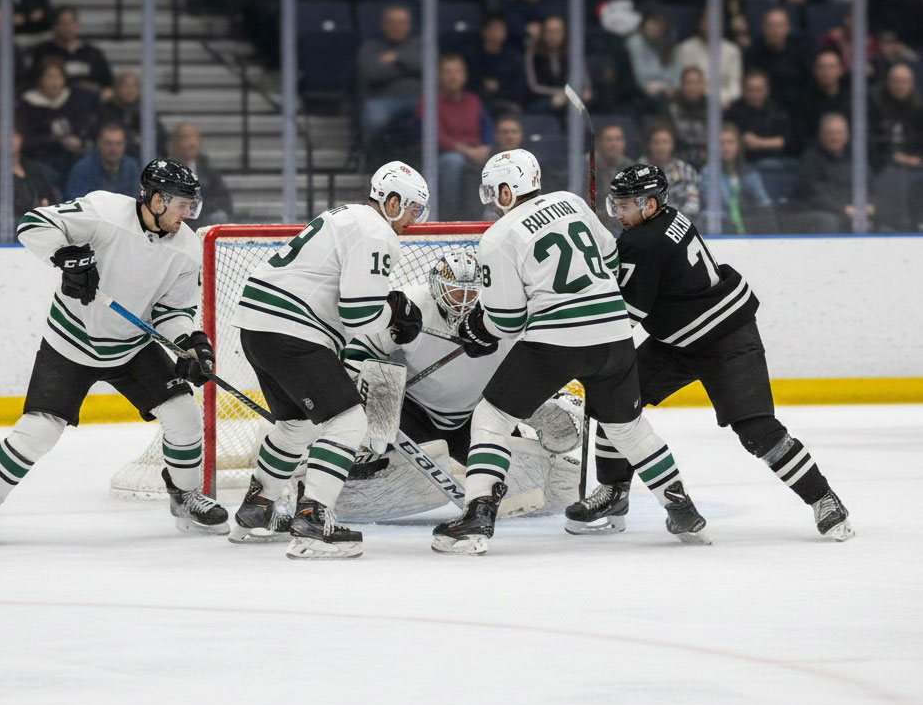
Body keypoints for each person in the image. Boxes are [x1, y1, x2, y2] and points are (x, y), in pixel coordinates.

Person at [429, 148, 710, 555]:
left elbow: (506, 321)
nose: (493, 202)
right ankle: (682, 509)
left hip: (556, 341)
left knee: (493, 415)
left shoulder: (498, 238)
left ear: (508, 191)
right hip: (615, 335)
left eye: (495, 192)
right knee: (628, 429)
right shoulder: (572, 202)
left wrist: (478, 327)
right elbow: (612, 258)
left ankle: (477, 515)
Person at [572, 163, 853, 541]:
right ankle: (615, 491)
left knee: (757, 430)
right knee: (613, 397)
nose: (618, 214)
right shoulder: (670, 219)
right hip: (679, 341)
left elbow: (626, 316)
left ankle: (824, 499)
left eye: (625, 206)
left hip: (726, 340)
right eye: (614, 205)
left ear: (651, 205)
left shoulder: (641, 243)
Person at [0, 160, 230, 545]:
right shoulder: (104, 212)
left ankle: (183, 497)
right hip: (70, 343)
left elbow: (172, 311)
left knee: (183, 415)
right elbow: (32, 224)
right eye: (182, 204)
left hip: (131, 347)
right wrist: (65, 255)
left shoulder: (185, 250)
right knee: (39, 431)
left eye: (191, 204)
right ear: (156, 200)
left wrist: (190, 342)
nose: (188, 213)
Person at [229, 161, 430, 559]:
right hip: (293, 331)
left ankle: (258, 507)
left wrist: (389, 308)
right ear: (391, 202)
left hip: (257, 327)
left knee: (295, 426)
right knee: (349, 421)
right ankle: (314, 521)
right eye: (412, 209)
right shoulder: (376, 230)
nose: (414, 219)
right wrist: (397, 316)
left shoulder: (344, 217)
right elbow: (358, 314)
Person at [335, 250, 580, 523]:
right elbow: (359, 351)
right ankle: (358, 464)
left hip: (475, 416)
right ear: (436, 286)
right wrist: (356, 394)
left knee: (550, 485)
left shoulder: (502, 314)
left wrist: (544, 403)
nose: (462, 301)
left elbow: (532, 369)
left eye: (469, 293)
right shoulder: (412, 305)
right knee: (380, 376)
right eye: (454, 291)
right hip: (413, 414)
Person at [417, 54, 493, 221]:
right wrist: (467, 151)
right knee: (453, 161)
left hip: (475, 153)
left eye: (457, 71)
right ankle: (448, 216)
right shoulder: (429, 101)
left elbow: (487, 129)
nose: (453, 76)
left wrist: (486, 147)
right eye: (447, 72)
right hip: (444, 156)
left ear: (464, 75)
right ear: (438, 75)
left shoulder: (473, 101)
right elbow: (435, 136)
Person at [17, 60, 98, 189]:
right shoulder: (28, 104)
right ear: (40, 79)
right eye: (49, 77)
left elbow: (85, 128)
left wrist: (79, 140)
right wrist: (58, 141)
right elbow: (27, 139)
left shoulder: (73, 99)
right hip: (42, 158)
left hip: (73, 156)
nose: (54, 82)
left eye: (58, 77)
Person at [356, 4, 422, 153]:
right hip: (383, 100)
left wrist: (396, 58)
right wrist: (410, 69)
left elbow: (428, 66)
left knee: (435, 117)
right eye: (392, 23)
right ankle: (375, 159)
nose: (397, 27)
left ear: (409, 25)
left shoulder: (420, 45)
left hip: (419, 99)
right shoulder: (370, 47)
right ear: (383, 25)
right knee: (374, 118)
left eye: (402, 23)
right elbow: (373, 73)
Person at [790, 113, 868, 233]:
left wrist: (870, 205)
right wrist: (844, 209)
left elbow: (870, 186)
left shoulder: (855, 158)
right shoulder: (811, 158)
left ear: (846, 136)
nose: (834, 137)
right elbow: (813, 194)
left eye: (838, 133)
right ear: (821, 135)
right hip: (819, 211)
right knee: (828, 221)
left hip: (853, 210)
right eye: (830, 133)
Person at [870, 63, 923, 232]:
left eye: (904, 81)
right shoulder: (875, 104)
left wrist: (918, 158)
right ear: (888, 82)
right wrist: (892, 156)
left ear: (912, 83)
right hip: (883, 165)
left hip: (916, 165)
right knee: (890, 179)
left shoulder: (919, 106)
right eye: (896, 81)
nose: (900, 85)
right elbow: (871, 140)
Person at [31, 6, 114, 100]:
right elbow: (33, 81)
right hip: (56, 102)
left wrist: (107, 91)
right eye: (63, 23)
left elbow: (108, 82)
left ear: (77, 25)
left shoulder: (93, 53)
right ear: (55, 26)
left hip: (90, 102)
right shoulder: (43, 51)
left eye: (71, 23)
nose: (68, 27)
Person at [672, 7, 743, 107]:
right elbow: (681, 83)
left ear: (721, 24)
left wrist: (722, 100)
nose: (711, 24)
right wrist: (708, 100)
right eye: (707, 20)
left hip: (724, 104)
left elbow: (735, 86)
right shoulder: (685, 49)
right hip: (693, 103)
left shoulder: (732, 51)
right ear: (699, 23)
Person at [167, 121, 233, 227]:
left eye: (195, 138)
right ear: (174, 143)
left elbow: (224, 200)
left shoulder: (208, 170)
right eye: (186, 138)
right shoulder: (165, 171)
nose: (192, 143)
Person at [465, 15, 526, 117]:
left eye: (500, 29)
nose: (496, 32)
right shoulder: (472, 56)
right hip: (477, 101)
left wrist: (499, 89)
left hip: (506, 102)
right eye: (493, 28)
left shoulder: (514, 57)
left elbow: (519, 87)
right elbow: (467, 84)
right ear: (484, 31)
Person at [99, 71, 167, 161]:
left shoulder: (145, 109)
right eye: (126, 86)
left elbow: (159, 134)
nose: (130, 90)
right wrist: (137, 139)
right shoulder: (107, 109)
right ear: (116, 88)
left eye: (134, 86)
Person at [637, 122, 701, 218]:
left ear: (672, 144)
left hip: (679, 224)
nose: (661, 147)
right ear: (649, 145)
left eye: (665, 142)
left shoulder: (686, 171)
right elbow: (634, 206)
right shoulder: (636, 172)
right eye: (656, 142)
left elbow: (693, 205)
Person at [65, 123, 140, 200]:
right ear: (99, 143)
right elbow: (76, 203)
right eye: (108, 143)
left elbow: (137, 200)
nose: (113, 148)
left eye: (118, 144)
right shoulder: (82, 170)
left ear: (125, 145)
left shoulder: (131, 167)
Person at [660, 66, 708, 171]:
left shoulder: (711, 108)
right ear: (681, 85)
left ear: (703, 85)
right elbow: (666, 135)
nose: (692, 87)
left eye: (696, 83)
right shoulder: (670, 107)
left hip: (707, 162)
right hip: (677, 160)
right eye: (688, 83)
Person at [625, 10, 679, 99]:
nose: (655, 27)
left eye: (659, 24)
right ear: (644, 24)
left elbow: (676, 73)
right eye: (652, 23)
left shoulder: (669, 41)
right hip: (640, 92)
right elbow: (640, 76)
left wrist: (673, 87)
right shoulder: (635, 42)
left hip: (668, 91)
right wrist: (658, 86)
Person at [798, 49, 850, 140]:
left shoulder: (851, 100)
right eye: (822, 67)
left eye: (831, 67)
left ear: (841, 70)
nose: (826, 72)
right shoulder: (804, 101)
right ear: (815, 71)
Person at [594, 122, 635, 227]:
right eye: (608, 140)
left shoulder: (630, 167)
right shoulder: (585, 166)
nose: (614, 144)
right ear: (598, 143)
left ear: (624, 143)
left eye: (618, 139)